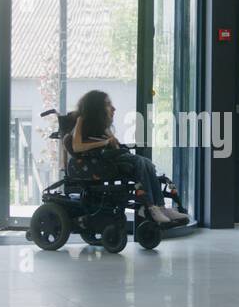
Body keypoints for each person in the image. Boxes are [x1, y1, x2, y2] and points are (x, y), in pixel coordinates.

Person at [71, 90, 188, 225]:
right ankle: (149, 206)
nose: (114, 108)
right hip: (101, 161)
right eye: (108, 105)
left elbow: (114, 146)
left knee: (146, 163)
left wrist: (112, 141)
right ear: (96, 107)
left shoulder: (103, 126)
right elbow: (76, 146)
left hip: (112, 157)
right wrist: (105, 142)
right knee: (140, 161)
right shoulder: (82, 120)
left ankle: (160, 207)